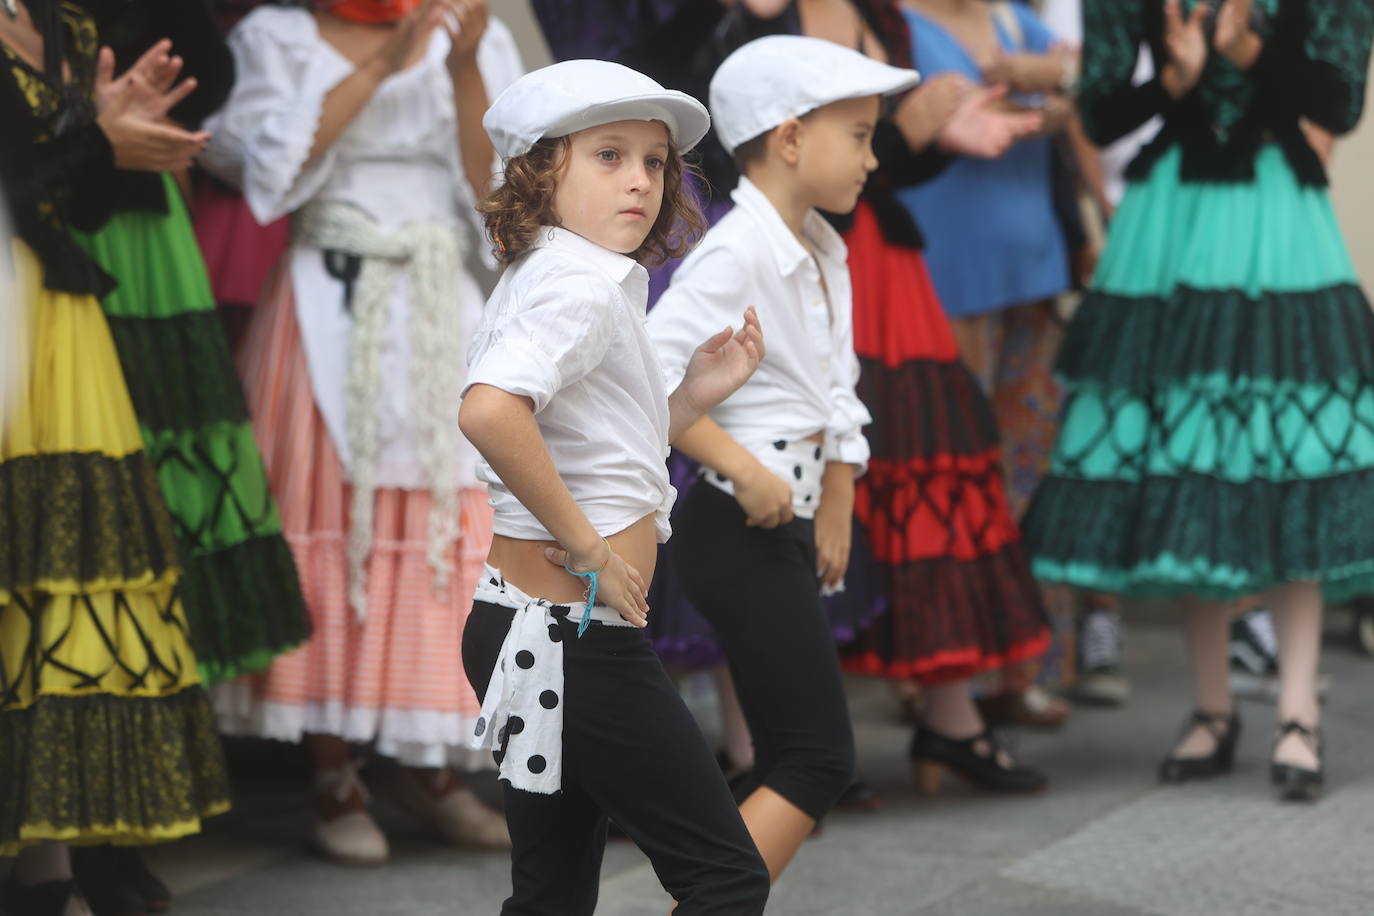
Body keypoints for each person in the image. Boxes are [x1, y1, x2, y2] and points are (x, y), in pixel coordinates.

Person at [1022, 0, 1374, 803]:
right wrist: (1172, 82)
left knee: (1295, 462)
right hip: (1169, 222)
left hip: (1278, 218)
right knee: (1183, 459)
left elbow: (1340, 102)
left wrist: (1250, 52)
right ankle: (1212, 707)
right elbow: (1104, 116)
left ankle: (1296, 712)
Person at [199, 0, 520, 864]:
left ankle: (428, 763)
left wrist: (456, 67)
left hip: (440, 298)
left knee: (443, 530)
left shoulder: (475, 35)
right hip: (322, 301)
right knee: (332, 525)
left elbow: (506, 199)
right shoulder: (276, 39)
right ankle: (332, 773)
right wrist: (381, 66)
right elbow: (268, 175)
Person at [460, 59, 771, 915]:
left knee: (552, 896)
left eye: (655, 160)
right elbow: (490, 412)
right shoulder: (580, 285)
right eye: (609, 155)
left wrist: (691, 399)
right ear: (539, 171)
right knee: (726, 878)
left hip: (531, 628)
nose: (640, 179)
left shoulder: (562, 275)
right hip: (572, 640)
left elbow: (600, 450)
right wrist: (589, 543)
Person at [647, 35, 920, 878]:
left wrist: (836, 495)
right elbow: (651, 384)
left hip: (785, 522)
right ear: (791, 137)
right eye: (861, 136)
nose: (873, 160)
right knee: (818, 758)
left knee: (790, 757)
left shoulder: (820, 249)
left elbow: (834, 392)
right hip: (739, 521)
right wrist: (742, 468)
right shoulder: (736, 250)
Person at [0, 5, 230, 913]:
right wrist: (96, 141)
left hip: (55, 321)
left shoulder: (58, 17)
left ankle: (54, 857)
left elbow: (67, 201)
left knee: (69, 585)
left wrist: (111, 141)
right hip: (12, 316)